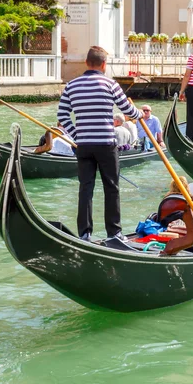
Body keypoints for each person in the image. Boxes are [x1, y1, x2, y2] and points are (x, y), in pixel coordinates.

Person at [57, 46, 142, 242]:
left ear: (87, 63)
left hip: (84, 145)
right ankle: (114, 233)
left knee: (85, 188)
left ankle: (85, 233)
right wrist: (138, 115)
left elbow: (62, 115)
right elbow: (126, 109)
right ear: (104, 65)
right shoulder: (110, 84)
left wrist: (77, 134)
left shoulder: (71, 85)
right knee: (111, 187)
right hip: (105, 143)